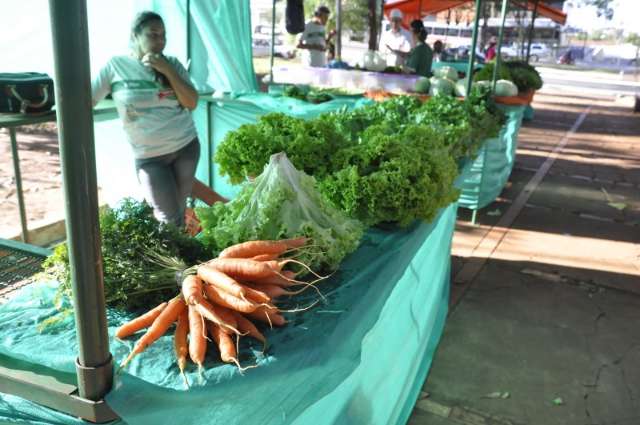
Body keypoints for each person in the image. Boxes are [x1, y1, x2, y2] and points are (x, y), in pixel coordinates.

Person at [92, 11, 204, 227]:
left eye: (163, 36)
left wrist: (167, 70)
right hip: (149, 157)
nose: (160, 41)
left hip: (186, 147)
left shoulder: (172, 63)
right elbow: (87, 100)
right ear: (135, 35)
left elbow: (191, 102)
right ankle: (174, 259)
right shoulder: (116, 66)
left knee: (178, 213)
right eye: (153, 35)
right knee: (167, 216)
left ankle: (181, 258)